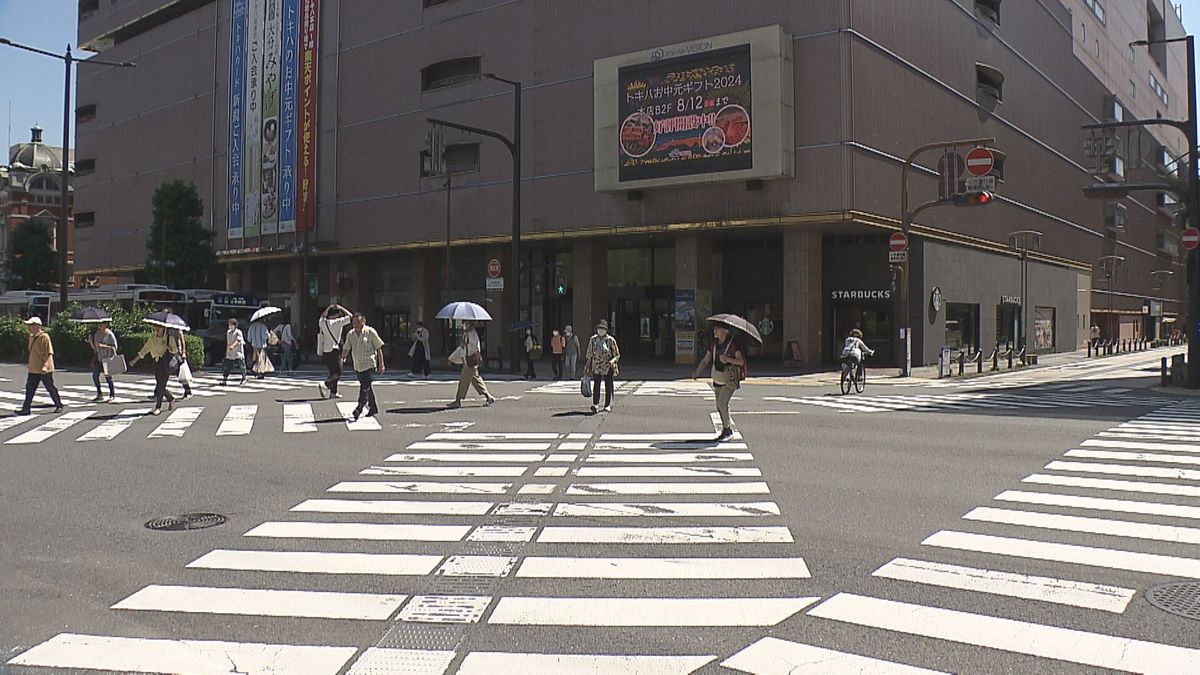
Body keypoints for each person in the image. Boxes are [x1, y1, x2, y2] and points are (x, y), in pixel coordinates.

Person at [693, 322, 746, 441]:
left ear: (725, 331)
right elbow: (706, 360)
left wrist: (727, 359)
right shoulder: (714, 345)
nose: (715, 330)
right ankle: (725, 428)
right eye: (715, 328)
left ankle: (728, 430)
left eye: (718, 328)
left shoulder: (732, 345)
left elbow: (741, 361)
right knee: (719, 405)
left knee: (722, 403)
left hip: (729, 379)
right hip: (717, 377)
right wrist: (697, 372)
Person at [343, 313, 386, 421]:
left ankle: (359, 408)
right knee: (366, 387)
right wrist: (343, 357)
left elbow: (378, 348)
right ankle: (373, 407)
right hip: (358, 365)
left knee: (364, 387)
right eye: (354, 322)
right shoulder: (351, 334)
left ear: (363, 321)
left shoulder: (370, 332)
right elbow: (346, 347)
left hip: (369, 364)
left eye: (358, 322)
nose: (355, 325)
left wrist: (381, 364)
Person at [17, 317, 63, 415]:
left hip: (43, 368)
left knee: (50, 387)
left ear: (37, 326)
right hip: (34, 368)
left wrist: (45, 365)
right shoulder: (31, 337)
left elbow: (49, 352)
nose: (29, 327)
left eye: (30, 325)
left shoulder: (44, 337)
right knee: (30, 388)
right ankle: (26, 409)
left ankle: (59, 404)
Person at [130, 325, 176, 415]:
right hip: (157, 362)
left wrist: (168, 348)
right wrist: (134, 360)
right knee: (160, 385)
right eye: (156, 327)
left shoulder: (169, 338)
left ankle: (158, 407)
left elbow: (175, 350)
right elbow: (145, 349)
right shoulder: (153, 338)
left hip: (166, 364)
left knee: (161, 385)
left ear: (164, 328)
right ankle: (170, 398)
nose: (157, 329)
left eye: (159, 327)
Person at [448, 320, 495, 408]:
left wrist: (465, 345)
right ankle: (488, 397)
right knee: (476, 380)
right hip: (467, 361)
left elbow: (476, 348)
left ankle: (458, 401)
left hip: (470, 362)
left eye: (465, 323)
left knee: (463, 381)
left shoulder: (472, 334)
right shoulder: (467, 334)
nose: (463, 325)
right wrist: (452, 358)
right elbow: (461, 348)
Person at [584, 319, 620, 413]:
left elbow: (617, 354)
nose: (601, 331)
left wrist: (612, 361)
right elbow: (590, 353)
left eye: (603, 329)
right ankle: (595, 404)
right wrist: (587, 365)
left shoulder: (610, 340)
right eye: (599, 328)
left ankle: (607, 404)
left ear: (606, 330)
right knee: (596, 385)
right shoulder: (593, 340)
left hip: (608, 366)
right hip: (596, 365)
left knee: (608, 385)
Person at [317, 304, 352, 399]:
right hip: (334, 350)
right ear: (336, 314)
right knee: (338, 372)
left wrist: (328, 308)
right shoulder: (338, 322)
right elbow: (351, 316)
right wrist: (341, 308)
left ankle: (333, 393)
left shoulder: (323, 322)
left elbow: (322, 316)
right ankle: (325, 384)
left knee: (333, 372)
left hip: (325, 351)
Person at [87, 321, 118, 403]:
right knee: (95, 376)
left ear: (105, 325)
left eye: (101, 325)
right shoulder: (97, 334)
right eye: (99, 325)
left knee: (108, 378)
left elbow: (114, 347)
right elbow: (96, 349)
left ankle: (112, 394)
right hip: (99, 359)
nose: (99, 326)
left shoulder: (109, 334)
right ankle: (99, 393)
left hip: (107, 359)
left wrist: (103, 346)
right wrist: (91, 342)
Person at [168, 327, 193, 399]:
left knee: (180, 372)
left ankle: (188, 391)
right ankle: (158, 391)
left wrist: (183, 352)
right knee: (163, 372)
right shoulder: (166, 328)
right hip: (169, 352)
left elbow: (182, 340)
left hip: (177, 353)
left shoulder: (177, 329)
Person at [221, 318, 247, 385]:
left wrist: (233, 346)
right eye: (229, 324)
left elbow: (238, 341)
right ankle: (224, 379)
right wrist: (227, 351)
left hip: (238, 352)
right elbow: (227, 342)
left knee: (241, 365)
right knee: (227, 366)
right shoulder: (228, 332)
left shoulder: (238, 332)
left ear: (235, 325)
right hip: (230, 352)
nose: (230, 326)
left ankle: (244, 378)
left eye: (231, 324)